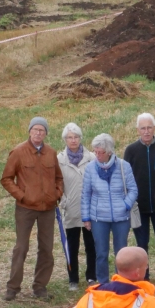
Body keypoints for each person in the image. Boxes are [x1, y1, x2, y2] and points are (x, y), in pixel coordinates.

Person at [0, 117, 63, 301]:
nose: (38, 133)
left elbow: (59, 178)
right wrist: (22, 195)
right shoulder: (18, 152)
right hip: (25, 208)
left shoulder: (51, 153)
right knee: (21, 247)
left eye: (42, 130)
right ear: (29, 131)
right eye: (35, 129)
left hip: (48, 209)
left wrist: (57, 193)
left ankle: (40, 286)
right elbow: (6, 179)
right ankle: (12, 288)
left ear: (46, 133)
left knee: (46, 249)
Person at [122, 113, 155, 285]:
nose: (146, 131)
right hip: (139, 207)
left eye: (149, 127)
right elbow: (126, 178)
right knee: (141, 245)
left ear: (154, 128)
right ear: (138, 130)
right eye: (143, 128)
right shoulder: (131, 150)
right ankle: (144, 276)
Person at [82, 133, 138, 285]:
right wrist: (86, 218)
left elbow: (133, 189)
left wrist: (125, 205)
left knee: (121, 252)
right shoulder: (90, 168)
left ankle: (120, 282)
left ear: (109, 152)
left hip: (121, 218)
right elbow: (86, 194)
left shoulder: (123, 166)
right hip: (99, 218)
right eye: (95, 151)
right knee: (101, 253)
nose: (97, 155)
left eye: (101, 152)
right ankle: (103, 283)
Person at [57, 122, 96, 290]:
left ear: (80, 138)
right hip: (70, 209)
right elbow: (56, 183)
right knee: (71, 246)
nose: (73, 140)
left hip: (90, 209)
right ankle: (73, 278)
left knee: (91, 245)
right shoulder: (59, 160)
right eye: (69, 137)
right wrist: (63, 200)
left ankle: (91, 276)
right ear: (65, 139)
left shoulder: (91, 158)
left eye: (76, 137)